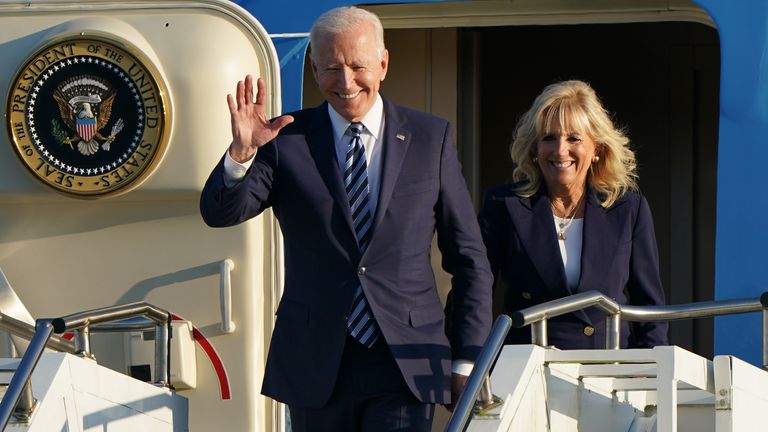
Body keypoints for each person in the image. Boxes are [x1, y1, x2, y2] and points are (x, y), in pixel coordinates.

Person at [200, 6, 492, 431]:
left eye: (358, 66)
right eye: (332, 68)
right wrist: (242, 154)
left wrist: (468, 358)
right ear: (314, 69)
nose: (347, 82)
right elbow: (221, 213)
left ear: (384, 64)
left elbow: (469, 259)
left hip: (405, 363)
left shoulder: (432, 138)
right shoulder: (285, 139)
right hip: (315, 362)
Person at [478, 80, 668, 349]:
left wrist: (650, 374)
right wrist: (467, 361)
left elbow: (650, 310)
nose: (560, 150)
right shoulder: (504, 205)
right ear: (534, 149)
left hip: (609, 369)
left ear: (597, 150)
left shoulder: (628, 209)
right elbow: (475, 290)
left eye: (573, 138)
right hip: (530, 368)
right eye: (548, 138)